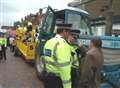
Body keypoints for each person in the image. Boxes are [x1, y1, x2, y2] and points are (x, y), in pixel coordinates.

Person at [43, 23, 72, 88]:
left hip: (47, 78)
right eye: (69, 32)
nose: (69, 34)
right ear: (64, 31)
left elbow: (45, 59)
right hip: (57, 81)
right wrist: (68, 86)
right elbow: (65, 68)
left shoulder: (49, 42)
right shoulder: (63, 44)